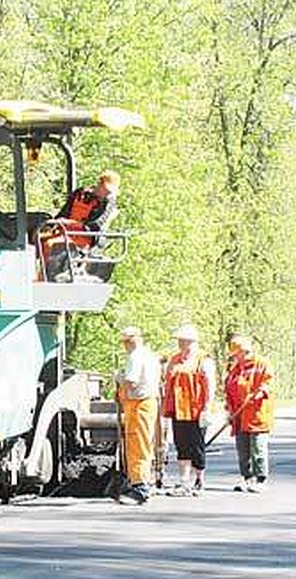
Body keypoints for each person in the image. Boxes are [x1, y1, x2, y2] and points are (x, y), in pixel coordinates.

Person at [161, 323, 216, 497]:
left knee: (197, 445)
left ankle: (199, 479)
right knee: (181, 444)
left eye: (183, 341)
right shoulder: (174, 360)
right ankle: (184, 481)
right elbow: (166, 381)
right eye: (179, 341)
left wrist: (207, 408)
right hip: (178, 409)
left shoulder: (204, 360)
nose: (180, 344)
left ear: (192, 342)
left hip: (197, 410)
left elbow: (210, 385)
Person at [113, 326, 161, 505]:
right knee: (145, 444)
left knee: (136, 444)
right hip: (147, 403)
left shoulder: (135, 357)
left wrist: (119, 378)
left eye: (127, 341)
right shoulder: (150, 355)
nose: (126, 345)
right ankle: (142, 481)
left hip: (138, 404)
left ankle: (140, 487)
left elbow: (131, 382)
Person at [45, 169, 120, 282]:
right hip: (64, 231)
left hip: (83, 237)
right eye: (105, 190)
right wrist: (53, 224)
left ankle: (45, 279)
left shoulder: (108, 204)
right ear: (99, 184)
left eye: (109, 192)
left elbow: (95, 226)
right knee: (37, 238)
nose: (106, 194)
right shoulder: (80, 194)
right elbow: (64, 212)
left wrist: (70, 224)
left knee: (50, 244)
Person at [223, 334, 274, 493]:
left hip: (256, 415)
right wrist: (229, 410)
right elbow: (228, 390)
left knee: (257, 448)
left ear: (244, 351)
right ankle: (246, 478)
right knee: (242, 449)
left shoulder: (262, 364)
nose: (235, 357)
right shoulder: (235, 369)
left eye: (237, 354)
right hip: (238, 415)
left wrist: (260, 392)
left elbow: (268, 382)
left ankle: (260, 479)